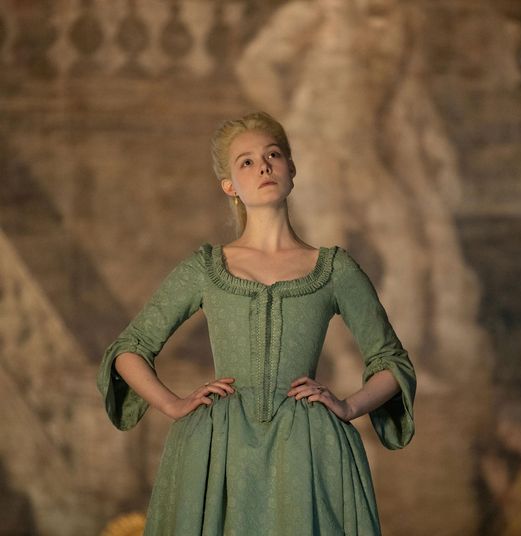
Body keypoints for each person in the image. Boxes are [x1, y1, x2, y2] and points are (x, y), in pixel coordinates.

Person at [96, 110, 417, 535]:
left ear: (291, 169)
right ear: (229, 185)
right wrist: (173, 405)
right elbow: (129, 350)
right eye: (246, 161)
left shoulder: (335, 269)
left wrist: (349, 406)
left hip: (308, 453)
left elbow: (392, 362)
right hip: (216, 453)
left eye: (273, 155)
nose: (263, 166)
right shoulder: (205, 268)